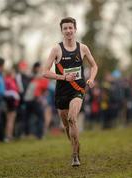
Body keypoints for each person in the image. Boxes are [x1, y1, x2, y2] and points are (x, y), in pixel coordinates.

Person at [43, 17, 98, 166]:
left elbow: (94, 66)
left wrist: (91, 79)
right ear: (61, 31)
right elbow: (44, 72)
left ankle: (75, 155)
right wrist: (63, 77)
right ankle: (75, 145)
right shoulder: (56, 49)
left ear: (75, 29)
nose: (68, 30)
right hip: (61, 93)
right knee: (67, 126)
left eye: (70, 28)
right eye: (65, 28)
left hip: (78, 90)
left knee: (72, 118)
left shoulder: (83, 48)